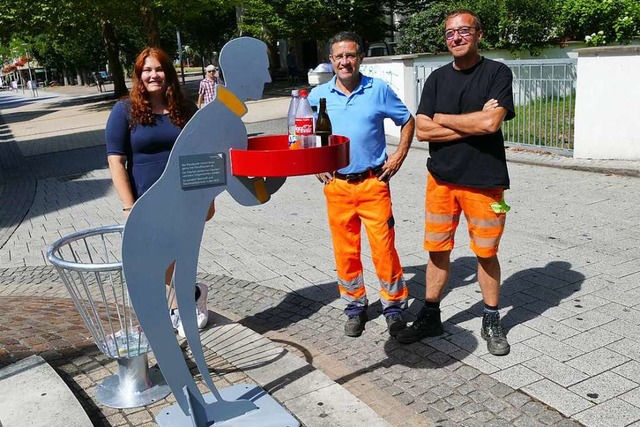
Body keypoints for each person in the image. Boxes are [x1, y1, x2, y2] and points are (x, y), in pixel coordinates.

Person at [395, 9, 515, 356]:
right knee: (437, 250)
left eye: (464, 31)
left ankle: (491, 318)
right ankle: (431, 315)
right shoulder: (436, 79)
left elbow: (491, 124)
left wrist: (444, 119)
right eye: (450, 33)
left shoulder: (497, 73)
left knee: (486, 253)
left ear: (478, 34)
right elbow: (423, 130)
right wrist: (470, 121)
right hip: (441, 181)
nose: (456, 38)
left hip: (486, 182)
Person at [309, 31, 415, 338]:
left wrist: (398, 156)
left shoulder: (378, 90)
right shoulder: (318, 97)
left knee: (384, 249)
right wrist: (317, 162)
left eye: (351, 55)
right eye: (339, 56)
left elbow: (407, 120)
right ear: (331, 61)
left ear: (360, 58)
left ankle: (394, 306)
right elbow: (305, 133)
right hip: (338, 187)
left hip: (373, 183)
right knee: (346, 251)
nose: (345, 62)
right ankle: (355, 306)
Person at [105, 47, 213, 338]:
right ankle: (190, 296)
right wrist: (129, 207)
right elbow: (116, 160)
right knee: (152, 262)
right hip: (145, 201)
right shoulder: (124, 111)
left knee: (176, 256)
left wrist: (209, 197)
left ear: (169, 73)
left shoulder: (186, 109)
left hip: (184, 198)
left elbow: (202, 154)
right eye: (147, 70)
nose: (154, 75)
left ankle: (177, 308)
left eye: (159, 69)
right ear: (139, 75)